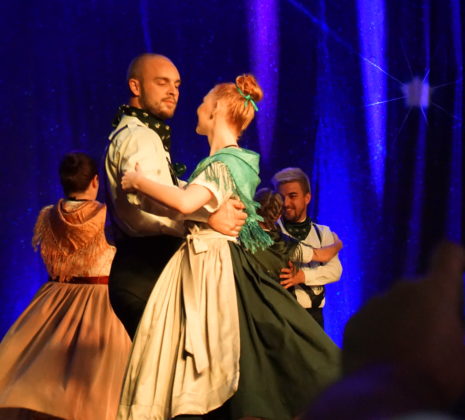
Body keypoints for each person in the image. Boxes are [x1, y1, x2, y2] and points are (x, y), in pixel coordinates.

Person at [116, 74, 340, 420]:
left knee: (211, 354)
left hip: (212, 264)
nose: (197, 106)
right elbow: (195, 201)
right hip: (208, 258)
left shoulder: (223, 164)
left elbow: (185, 203)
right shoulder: (230, 162)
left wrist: (138, 181)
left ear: (217, 109)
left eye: (203, 101)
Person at [105, 53, 246, 338]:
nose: (173, 92)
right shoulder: (139, 136)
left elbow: (161, 186)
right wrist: (209, 216)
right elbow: (146, 197)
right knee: (164, 361)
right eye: (162, 82)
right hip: (145, 268)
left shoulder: (145, 134)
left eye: (177, 85)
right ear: (135, 86)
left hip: (150, 265)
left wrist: (203, 196)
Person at [0, 152, 131, 420]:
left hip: (53, 302)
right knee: (95, 383)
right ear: (95, 181)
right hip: (99, 303)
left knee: (43, 370)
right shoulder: (108, 216)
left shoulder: (48, 215)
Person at [272, 167, 343, 327]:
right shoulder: (272, 231)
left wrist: (303, 276)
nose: (286, 203)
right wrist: (335, 247)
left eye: (292, 196)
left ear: (307, 197)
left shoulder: (322, 232)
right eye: (281, 197)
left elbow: (335, 271)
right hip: (281, 317)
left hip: (314, 317)